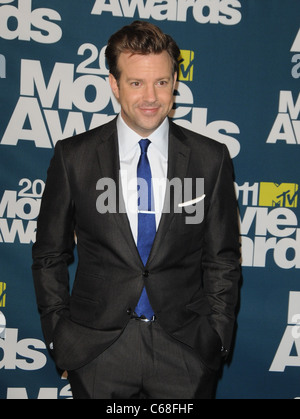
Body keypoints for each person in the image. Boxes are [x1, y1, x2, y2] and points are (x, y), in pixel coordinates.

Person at [32, 20, 241, 399]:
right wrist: (58, 336)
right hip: (98, 349)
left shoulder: (210, 159)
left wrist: (218, 334)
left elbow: (222, 258)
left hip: (185, 349)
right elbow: (49, 254)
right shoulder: (74, 157)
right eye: (136, 83)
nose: (151, 96)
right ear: (114, 84)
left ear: (175, 81)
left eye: (161, 82)